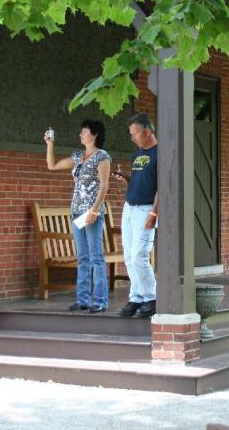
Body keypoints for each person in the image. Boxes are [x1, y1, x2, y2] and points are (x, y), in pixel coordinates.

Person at [44, 120, 111, 313]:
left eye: (84, 131)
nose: (81, 135)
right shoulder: (78, 156)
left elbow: (104, 185)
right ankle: (82, 300)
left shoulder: (102, 157)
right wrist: (50, 144)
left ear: (95, 134)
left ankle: (100, 301)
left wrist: (95, 210)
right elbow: (52, 165)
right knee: (82, 257)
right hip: (76, 212)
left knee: (96, 256)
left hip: (92, 212)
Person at [113, 112, 158, 319]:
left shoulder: (160, 154)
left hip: (146, 209)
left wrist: (154, 213)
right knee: (129, 257)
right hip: (129, 208)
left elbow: (161, 187)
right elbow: (141, 182)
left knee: (140, 255)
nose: (132, 138)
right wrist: (126, 179)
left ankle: (151, 298)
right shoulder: (136, 155)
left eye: (135, 134)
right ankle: (136, 297)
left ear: (147, 132)